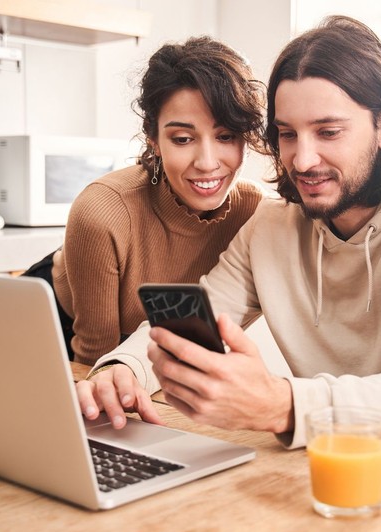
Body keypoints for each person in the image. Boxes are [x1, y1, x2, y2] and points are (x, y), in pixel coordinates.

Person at [77, 16, 381, 456]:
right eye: (287, 135)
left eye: (328, 131)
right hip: (350, 460)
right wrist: (124, 367)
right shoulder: (273, 226)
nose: (301, 160)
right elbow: (191, 321)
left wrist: (282, 404)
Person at [22, 36, 267, 366]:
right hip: (54, 326)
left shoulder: (253, 211)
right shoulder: (105, 211)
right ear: (153, 139)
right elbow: (95, 358)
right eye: (182, 139)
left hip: (143, 346)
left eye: (226, 136)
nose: (207, 162)